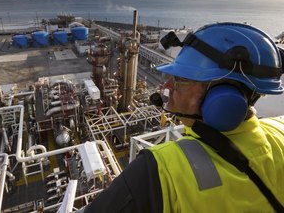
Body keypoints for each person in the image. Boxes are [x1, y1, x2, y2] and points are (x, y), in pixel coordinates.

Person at [81, 22, 284, 212]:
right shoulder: (278, 134)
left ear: (222, 96)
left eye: (181, 79)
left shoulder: (159, 169)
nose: (168, 85)